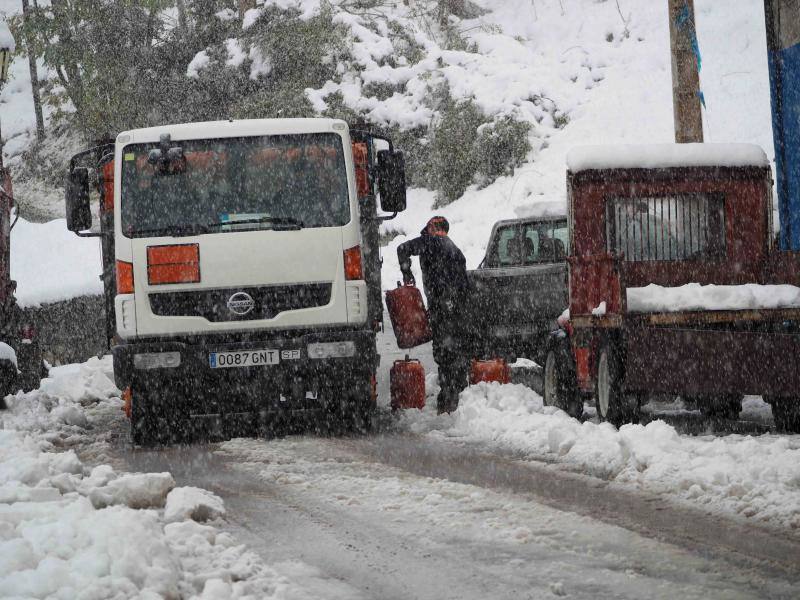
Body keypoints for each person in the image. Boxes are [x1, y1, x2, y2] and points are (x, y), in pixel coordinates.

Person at [397, 216, 470, 414]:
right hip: (451, 307)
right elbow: (464, 284)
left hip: (442, 307)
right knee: (453, 350)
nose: (438, 234)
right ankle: (455, 393)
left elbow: (402, 249)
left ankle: (449, 396)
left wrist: (407, 273)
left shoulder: (431, 242)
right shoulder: (450, 247)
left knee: (445, 351)